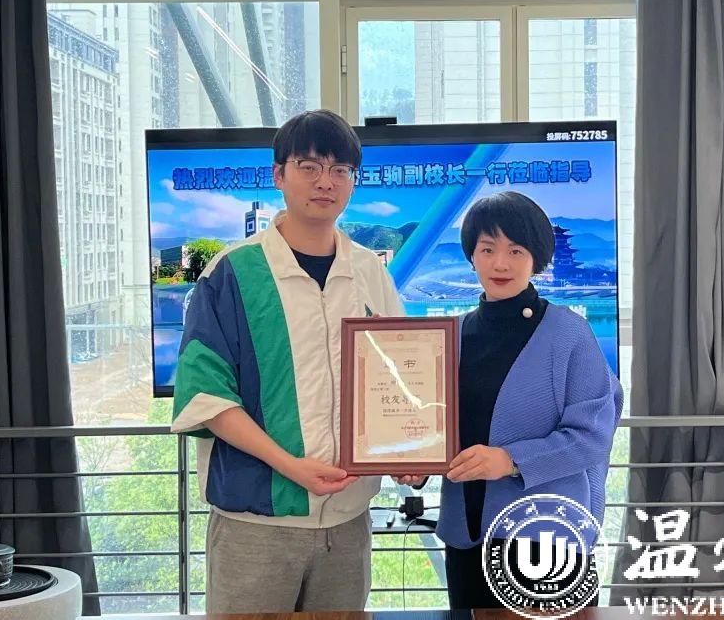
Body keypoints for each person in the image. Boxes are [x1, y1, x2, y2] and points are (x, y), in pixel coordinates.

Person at [170, 110, 404, 613]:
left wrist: (409, 457)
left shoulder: (370, 272)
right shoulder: (231, 273)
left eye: (340, 170)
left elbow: (400, 379)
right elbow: (206, 396)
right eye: (309, 166)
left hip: (347, 524)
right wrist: (290, 467)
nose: (326, 182)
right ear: (279, 174)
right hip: (255, 524)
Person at [395, 191, 623, 609]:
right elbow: (435, 425)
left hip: (546, 535)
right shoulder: (449, 336)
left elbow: (592, 437)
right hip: (466, 534)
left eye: (516, 250)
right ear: (472, 257)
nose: (500, 263)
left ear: (537, 259)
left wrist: (512, 460)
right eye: (487, 249)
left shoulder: (570, 334)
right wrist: (418, 463)